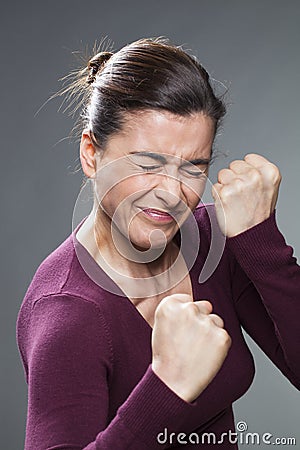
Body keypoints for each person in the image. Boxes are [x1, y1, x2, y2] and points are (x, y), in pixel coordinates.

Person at [16, 37, 300, 450]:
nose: (170, 192)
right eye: (147, 164)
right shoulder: (68, 312)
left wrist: (261, 243)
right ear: (91, 153)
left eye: (193, 167)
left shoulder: (209, 242)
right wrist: (166, 389)